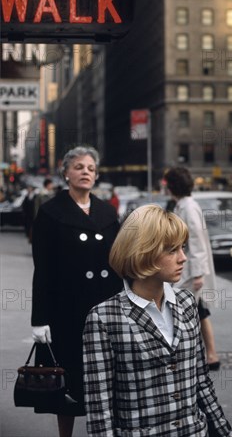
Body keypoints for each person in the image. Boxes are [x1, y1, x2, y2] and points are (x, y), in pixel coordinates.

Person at [83, 204, 232, 437]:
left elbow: (201, 382)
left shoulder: (186, 302)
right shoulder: (103, 318)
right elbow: (99, 409)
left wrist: (225, 432)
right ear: (144, 251)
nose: (183, 258)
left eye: (182, 248)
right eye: (172, 250)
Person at [31, 146, 122, 437]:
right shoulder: (50, 212)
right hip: (66, 311)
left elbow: (120, 260)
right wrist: (39, 319)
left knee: (108, 376)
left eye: (91, 168)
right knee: (68, 378)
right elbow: (42, 268)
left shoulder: (108, 212)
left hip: (106, 306)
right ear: (66, 172)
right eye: (79, 167)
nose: (86, 172)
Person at [164, 166, 220, 369]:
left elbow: (195, 240)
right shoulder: (185, 205)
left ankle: (204, 356)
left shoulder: (187, 207)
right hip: (190, 269)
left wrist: (197, 273)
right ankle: (211, 355)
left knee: (191, 314)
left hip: (190, 271)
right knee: (200, 312)